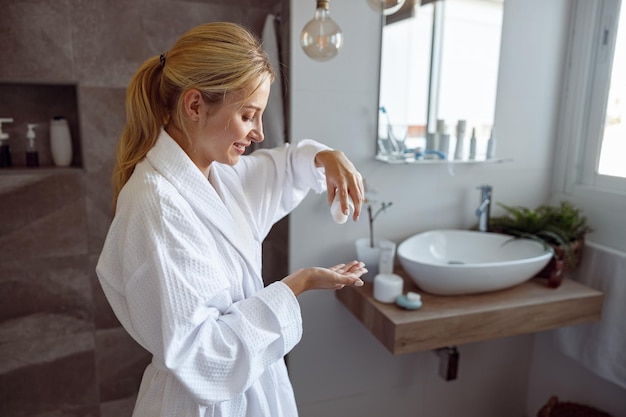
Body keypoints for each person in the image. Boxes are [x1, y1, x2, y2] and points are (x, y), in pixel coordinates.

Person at [96, 21, 367, 417]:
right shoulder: (156, 204)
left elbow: (285, 167)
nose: (258, 133)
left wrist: (327, 156)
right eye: (247, 115)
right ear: (194, 106)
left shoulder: (221, 177)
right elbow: (205, 358)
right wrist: (298, 284)